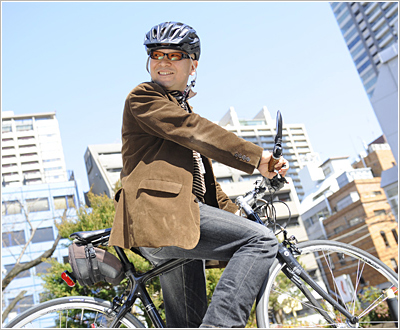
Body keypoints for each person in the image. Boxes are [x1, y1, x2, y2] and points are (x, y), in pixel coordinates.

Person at [109, 21, 289, 328]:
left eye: (174, 55)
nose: (163, 61)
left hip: (177, 226)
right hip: (163, 217)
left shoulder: (181, 111)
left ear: (193, 64)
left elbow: (206, 186)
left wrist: (235, 213)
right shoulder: (144, 98)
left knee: (188, 324)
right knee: (261, 242)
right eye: (156, 54)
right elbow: (194, 131)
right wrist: (258, 157)